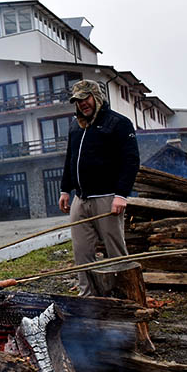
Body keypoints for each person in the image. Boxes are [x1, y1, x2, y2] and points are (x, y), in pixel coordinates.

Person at [58, 79, 140, 296]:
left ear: (96, 96)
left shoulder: (118, 123)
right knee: (82, 252)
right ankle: (87, 298)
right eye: (77, 100)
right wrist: (65, 189)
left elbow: (131, 161)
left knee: (116, 251)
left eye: (86, 98)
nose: (82, 103)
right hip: (81, 199)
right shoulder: (76, 126)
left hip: (108, 198)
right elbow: (70, 159)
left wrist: (122, 194)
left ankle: (126, 295)